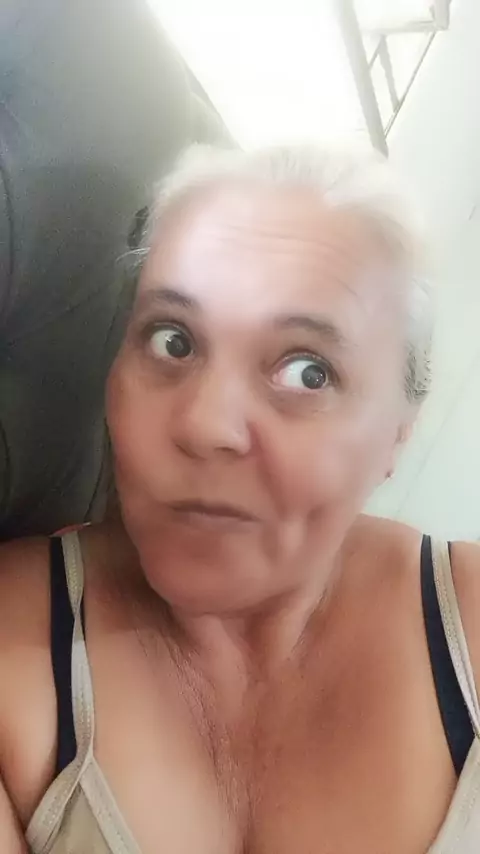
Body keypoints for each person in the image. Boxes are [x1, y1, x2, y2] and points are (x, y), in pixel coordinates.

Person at [0, 144, 479, 854]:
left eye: (308, 372)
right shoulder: (13, 641)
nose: (205, 425)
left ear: (397, 435)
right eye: (173, 341)